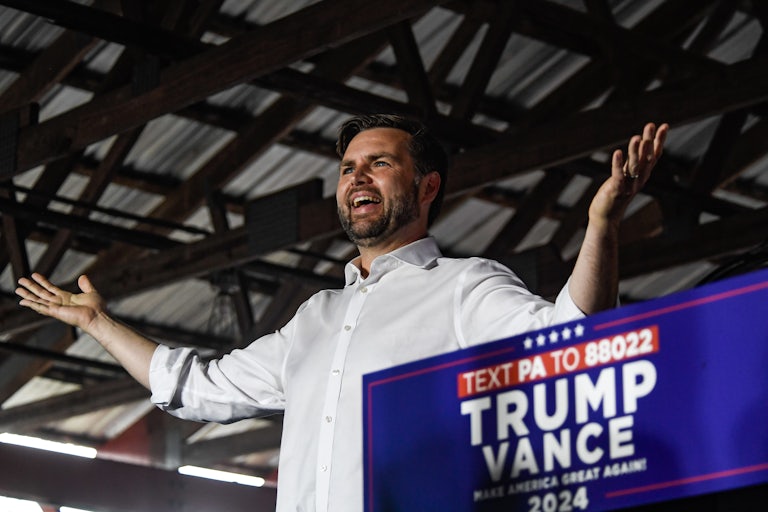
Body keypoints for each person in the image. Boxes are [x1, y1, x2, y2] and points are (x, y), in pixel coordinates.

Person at [16, 114, 668, 512]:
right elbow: (196, 389)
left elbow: (573, 341)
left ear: (427, 186)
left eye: (379, 164)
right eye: (349, 167)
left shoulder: (465, 288)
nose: (357, 178)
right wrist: (98, 324)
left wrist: (601, 225)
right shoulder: (313, 318)